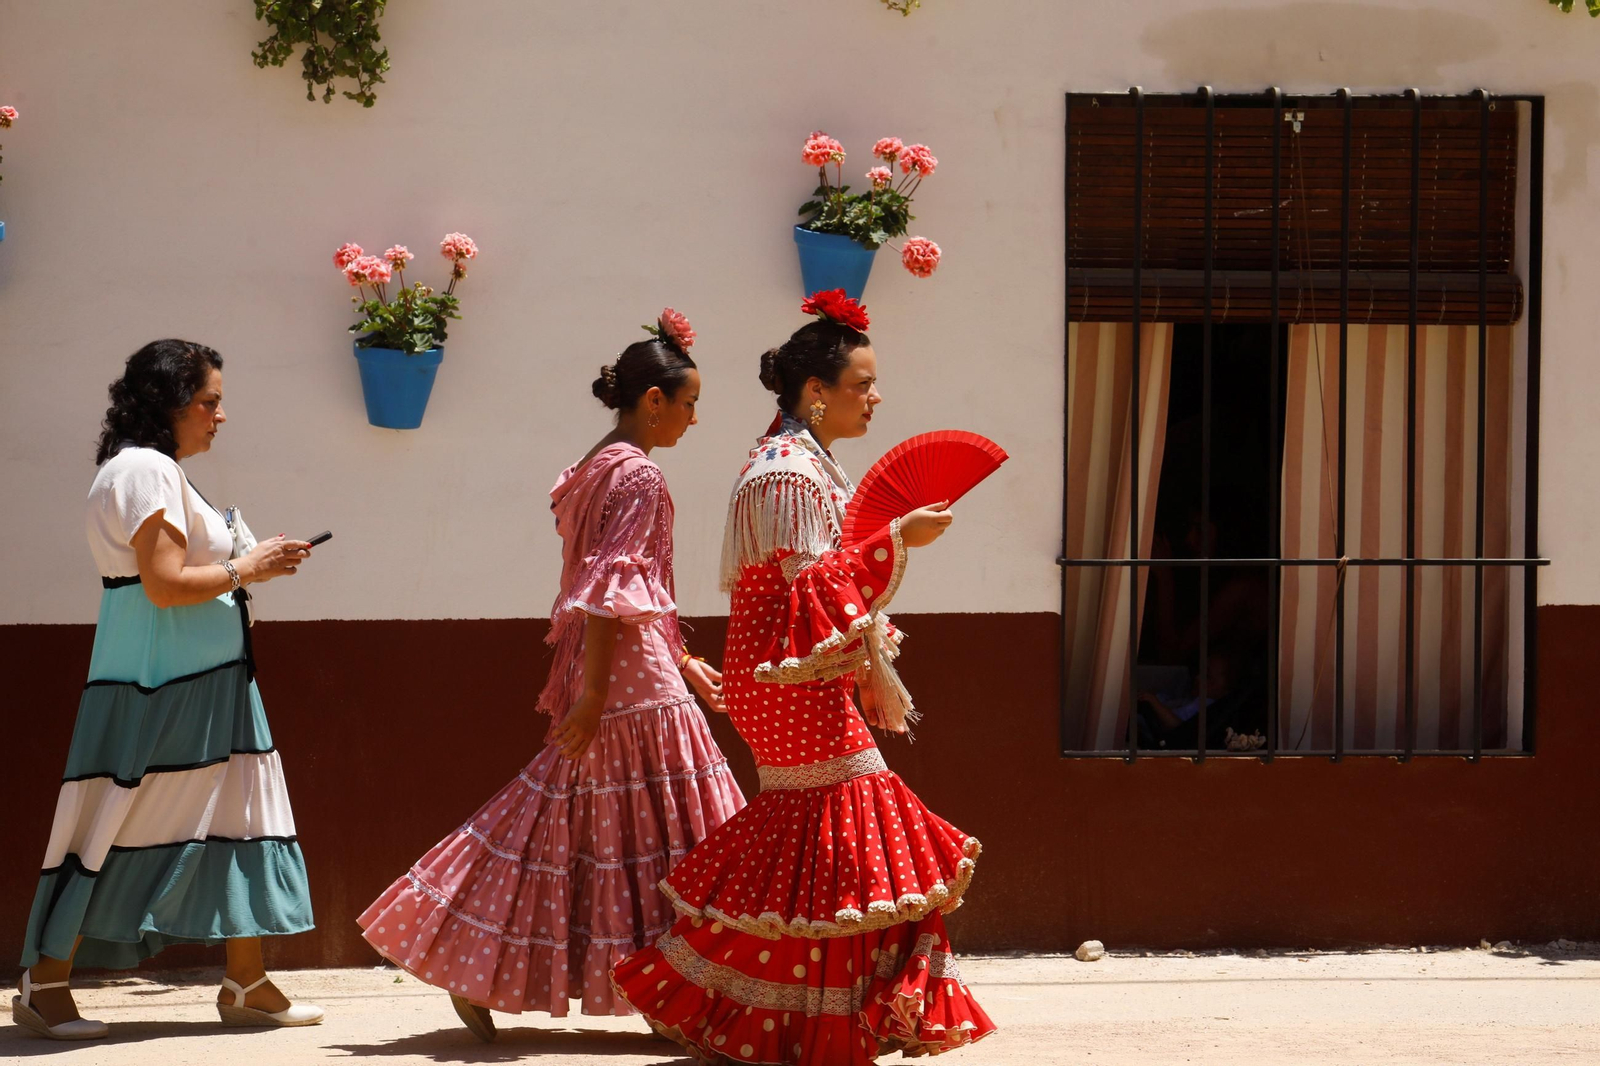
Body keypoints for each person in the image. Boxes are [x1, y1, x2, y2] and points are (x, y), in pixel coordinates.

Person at [612, 291, 995, 1063]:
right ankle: (791, 1009)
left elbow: (821, 591)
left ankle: (783, 1011)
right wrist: (897, 536)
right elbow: (813, 589)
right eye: (862, 385)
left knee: (825, 841)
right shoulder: (788, 470)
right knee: (850, 829)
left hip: (796, 678)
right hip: (788, 684)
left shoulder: (803, 461)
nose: (875, 398)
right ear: (816, 392)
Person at [357, 310, 745, 1041]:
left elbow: (615, 588)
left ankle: (475, 959)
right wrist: (597, 695)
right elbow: (608, 591)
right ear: (653, 400)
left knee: (576, 823)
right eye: (689, 403)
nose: (695, 419)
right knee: (688, 833)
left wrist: (681, 660)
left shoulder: (593, 467)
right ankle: (679, 990)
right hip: (628, 684)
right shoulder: (641, 476)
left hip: (616, 671)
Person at [14, 339, 322, 1041]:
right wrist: (250, 567)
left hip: (206, 682)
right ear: (171, 401)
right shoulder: (146, 470)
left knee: (242, 814)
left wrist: (251, 563)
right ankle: (45, 980)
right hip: (164, 684)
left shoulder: (152, 471)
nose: (221, 416)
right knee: (121, 820)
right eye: (210, 402)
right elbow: (163, 584)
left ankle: (248, 981)